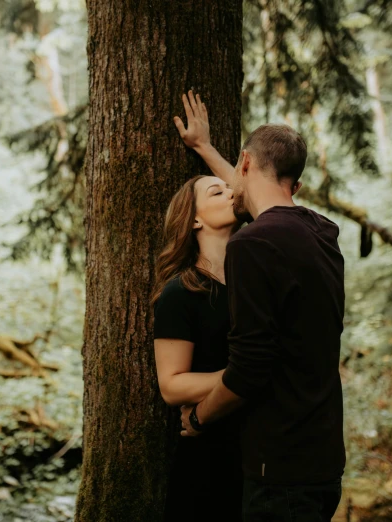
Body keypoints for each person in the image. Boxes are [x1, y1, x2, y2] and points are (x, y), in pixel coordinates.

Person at [178, 116, 346, 521]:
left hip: (280, 470)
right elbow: (260, 201)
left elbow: (250, 367)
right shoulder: (321, 232)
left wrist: (199, 418)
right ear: (297, 187)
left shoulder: (252, 245)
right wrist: (204, 147)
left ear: (246, 163)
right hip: (323, 459)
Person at [152, 91, 243, 520]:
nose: (230, 192)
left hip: (262, 452)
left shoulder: (252, 279)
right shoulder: (180, 292)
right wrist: (246, 375)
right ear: (194, 219)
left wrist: (204, 147)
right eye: (216, 191)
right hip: (207, 455)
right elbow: (172, 386)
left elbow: (264, 205)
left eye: (230, 188)